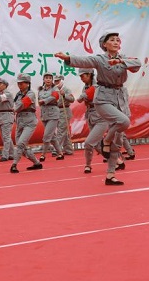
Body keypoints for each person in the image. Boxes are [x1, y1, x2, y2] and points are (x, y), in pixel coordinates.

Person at [55, 31, 141, 186]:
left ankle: (110, 174)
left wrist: (120, 62)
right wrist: (67, 58)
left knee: (118, 140)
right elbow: (84, 61)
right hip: (104, 98)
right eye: (112, 40)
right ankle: (105, 141)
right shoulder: (100, 59)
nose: (116, 42)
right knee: (124, 121)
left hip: (120, 98)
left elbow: (137, 64)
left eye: (117, 40)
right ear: (104, 44)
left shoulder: (124, 58)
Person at [11, 73, 43, 173]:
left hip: (29, 120)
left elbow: (22, 104)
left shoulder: (31, 94)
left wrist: (14, 109)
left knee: (21, 143)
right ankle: (36, 163)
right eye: (18, 83)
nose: (19, 85)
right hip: (20, 120)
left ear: (28, 83)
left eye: (22, 83)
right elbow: (16, 104)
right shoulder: (18, 94)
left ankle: (14, 164)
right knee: (21, 145)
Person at [76, 68, 100, 173]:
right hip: (90, 115)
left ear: (89, 74)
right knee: (97, 143)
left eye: (83, 76)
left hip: (99, 116)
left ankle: (88, 165)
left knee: (90, 142)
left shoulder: (98, 85)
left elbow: (83, 98)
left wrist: (85, 97)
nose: (81, 78)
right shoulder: (85, 86)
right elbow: (84, 100)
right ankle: (117, 160)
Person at [37, 73, 63, 161]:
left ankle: (43, 155)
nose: (48, 80)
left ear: (52, 80)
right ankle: (60, 153)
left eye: (50, 78)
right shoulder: (40, 90)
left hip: (53, 114)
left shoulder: (55, 88)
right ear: (43, 79)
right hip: (44, 114)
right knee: (52, 137)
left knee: (46, 135)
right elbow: (38, 100)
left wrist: (44, 101)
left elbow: (55, 97)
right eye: (46, 78)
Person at [53, 73, 75, 157]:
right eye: (55, 81)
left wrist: (64, 95)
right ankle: (68, 149)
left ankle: (57, 149)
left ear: (61, 81)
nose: (56, 82)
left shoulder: (66, 89)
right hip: (56, 110)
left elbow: (72, 99)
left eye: (57, 81)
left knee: (61, 130)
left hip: (64, 109)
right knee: (63, 131)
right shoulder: (53, 90)